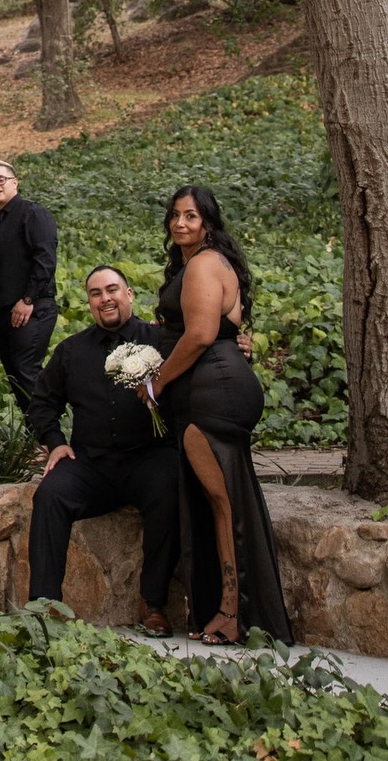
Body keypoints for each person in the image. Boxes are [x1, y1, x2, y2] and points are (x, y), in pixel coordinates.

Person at [149, 183, 291, 644]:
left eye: (190, 216)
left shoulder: (205, 263)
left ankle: (236, 613)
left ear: (207, 222)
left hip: (212, 393)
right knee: (224, 501)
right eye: (174, 216)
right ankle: (228, 608)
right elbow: (218, 329)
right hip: (214, 386)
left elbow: (201, 335)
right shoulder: (199, 264)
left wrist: (157, 381)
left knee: (224, 504)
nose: (180, 224)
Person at [26, 266, 179, 633]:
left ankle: (153, 602)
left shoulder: (160, 340)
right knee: (50, 495)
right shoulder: (72, 350)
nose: (104, 298)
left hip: (148, 458)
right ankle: (44, 606)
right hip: (91, 464)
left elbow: (202, 356)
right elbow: (41, 403)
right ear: (90, 303)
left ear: (129, 294)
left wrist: (241, 348)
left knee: (172, 488)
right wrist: (56, 443)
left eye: (112, 290)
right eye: (95, 293)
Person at [0, 160, 58, 414]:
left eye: (1, 179)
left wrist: (28, 300)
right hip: (1, 313)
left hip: (32, 308)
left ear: (15, 182)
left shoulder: (32, 213)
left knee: (27, 372)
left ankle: (51, 438)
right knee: (16, 377)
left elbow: (45, 259)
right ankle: (36, 440)